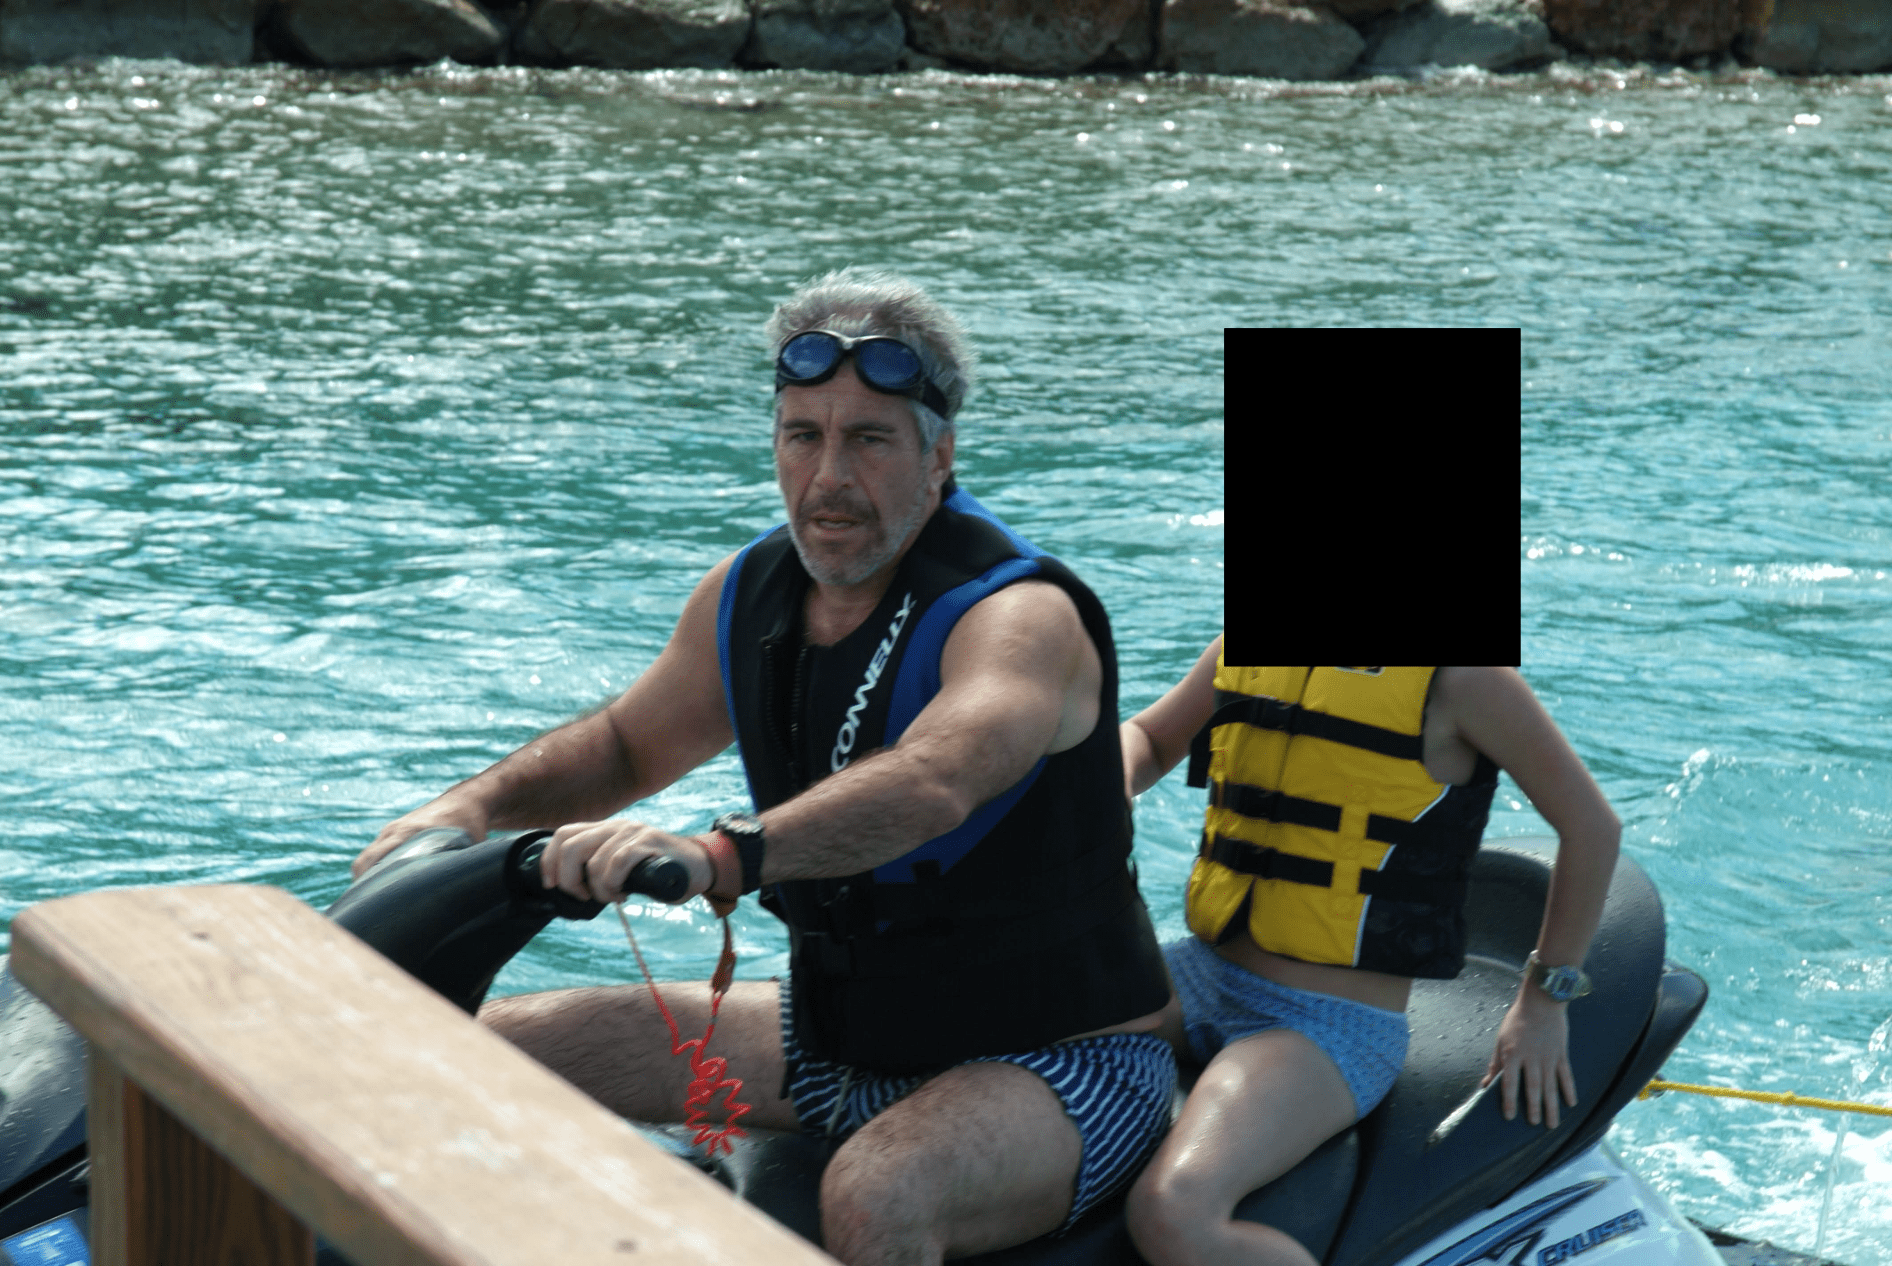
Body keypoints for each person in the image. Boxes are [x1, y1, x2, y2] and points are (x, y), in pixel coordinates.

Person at [354, 268, 1176, 1266]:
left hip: (1064, 1060)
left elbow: (935, 779)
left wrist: (721, 855)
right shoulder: (748, 594)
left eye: (869, 440)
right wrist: (471, 807)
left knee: (876, 1194)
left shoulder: (1017, 616)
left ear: (938, 457)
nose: (829, 475)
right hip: (832, 1042)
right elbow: (625, 746)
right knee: (470, 1058)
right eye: (802, 436)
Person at [1118, 644, 1621, 1266]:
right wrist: (1116, 777)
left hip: (1324, 1026)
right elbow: (1149, 738)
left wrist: (1544, 1001)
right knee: (1009, 1034)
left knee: (1173, 1213)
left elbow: (1593, 827)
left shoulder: (1464, 679)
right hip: (1200, 976)